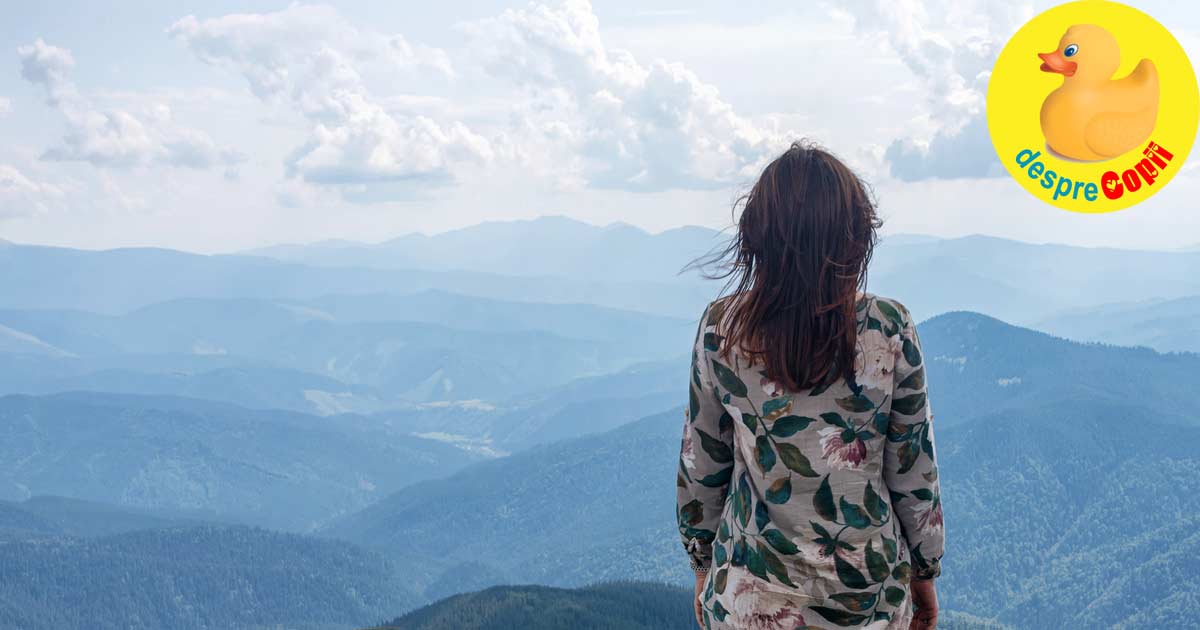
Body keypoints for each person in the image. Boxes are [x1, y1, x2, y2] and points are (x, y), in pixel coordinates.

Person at [676, 142, 944, 629]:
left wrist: (702, 564)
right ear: (854, 239)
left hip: (750, 598)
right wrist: (924, 574)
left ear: (758, 237)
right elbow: (913, 470)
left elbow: (703, 464)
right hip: (868, 600)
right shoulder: (888, 327)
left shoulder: (722, 328)